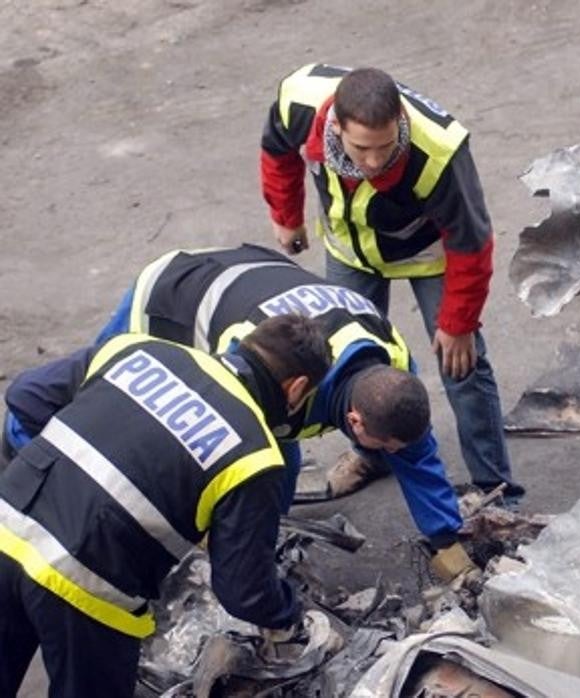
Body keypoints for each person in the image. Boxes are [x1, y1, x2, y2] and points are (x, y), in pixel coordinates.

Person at [3, 245, 480, 583]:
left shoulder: (391, 370)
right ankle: (22, 456)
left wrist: (445, 542)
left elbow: (417, 457)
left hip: (253, 275)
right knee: (105, 397)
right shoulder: (268, 368)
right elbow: (225, 449)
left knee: (273, 455)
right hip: (171, 300)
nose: (401, 455)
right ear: (355, 423)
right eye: (390, 448)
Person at [0, 315, 331, 697]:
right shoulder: (255, 456)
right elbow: (245, 593)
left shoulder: (137, 349)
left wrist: (57, 475)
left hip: (9, 519)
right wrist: (289, 614)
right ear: (297, 388)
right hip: (86, 583)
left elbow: (26, 395)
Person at [259, 63, 521, 503]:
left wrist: (457, 323)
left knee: (463, 366)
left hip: (430, 256)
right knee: (346, 359)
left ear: (400, 119)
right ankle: (373, 450)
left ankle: (496, 489)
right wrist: (285, 215)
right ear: (336, 125)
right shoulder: (300, 101)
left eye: (385, 147)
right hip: (351, 250)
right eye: (362, 149)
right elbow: (276, 148)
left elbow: (472, 242)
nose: (376, 160)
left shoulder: (438, 150)